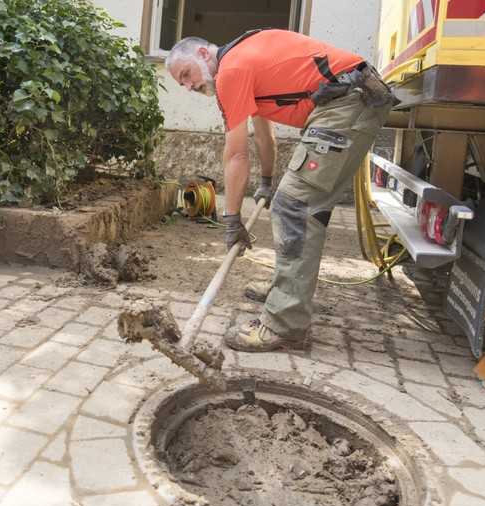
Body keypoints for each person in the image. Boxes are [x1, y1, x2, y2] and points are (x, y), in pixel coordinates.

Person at [165, 29, 395, 352]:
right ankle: (285, 291)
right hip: (350, 99)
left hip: (347, 103)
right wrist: (266, 183)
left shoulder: (231, 70)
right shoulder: (243, 61)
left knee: (294, 204)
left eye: (186, 75)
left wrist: (232, 220)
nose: (188, 86)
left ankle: (284, 324)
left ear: (204, 54)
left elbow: (235, 155)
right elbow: (263, 136)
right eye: (182, 84)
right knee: (294, 202)